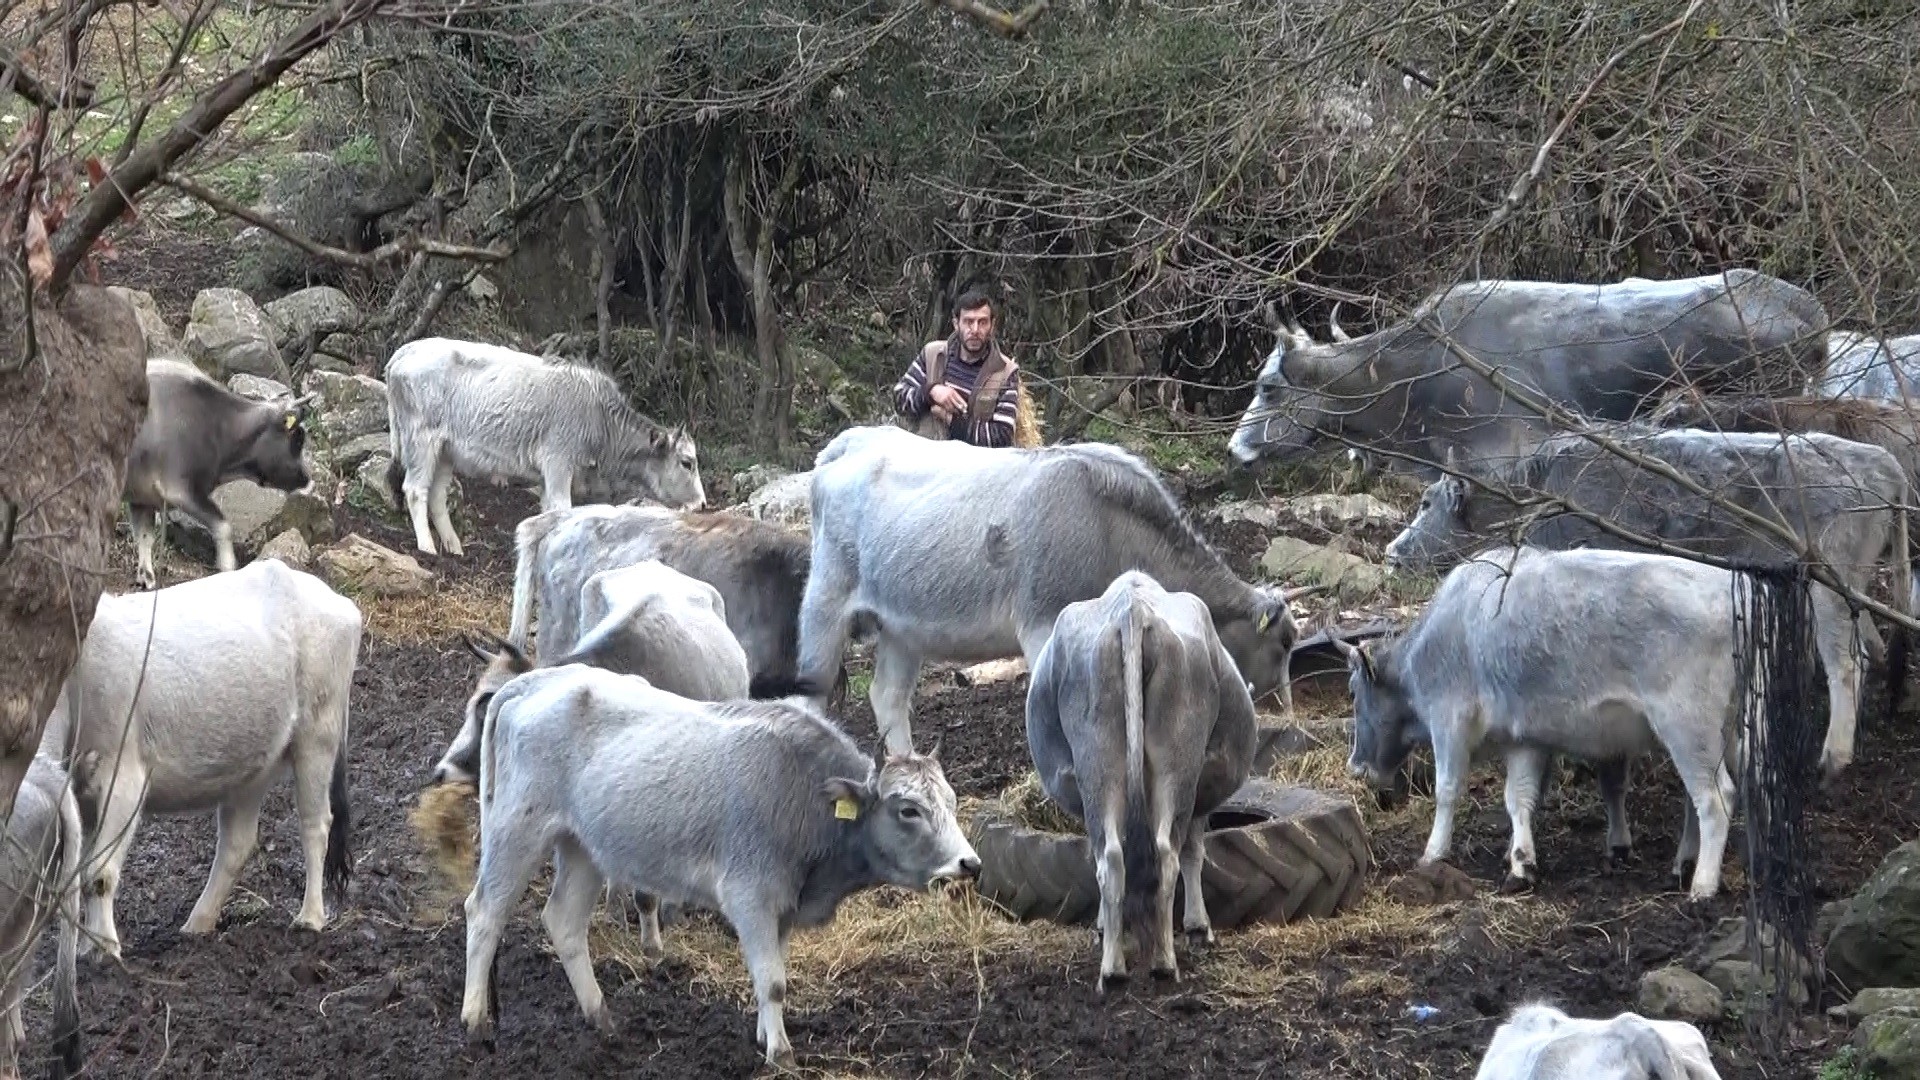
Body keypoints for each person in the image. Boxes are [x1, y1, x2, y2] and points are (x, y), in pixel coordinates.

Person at [893, 288, 1023, 448]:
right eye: (968, 321)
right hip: (923, 462)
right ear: (956, 324)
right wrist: (931, 392)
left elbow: (1001, 437)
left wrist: (951, 419)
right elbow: (900, 400)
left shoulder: (1005, 372)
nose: (975, 330)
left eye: (982, 322)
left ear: (992, 325)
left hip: (972, 470)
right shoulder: (932, 354)